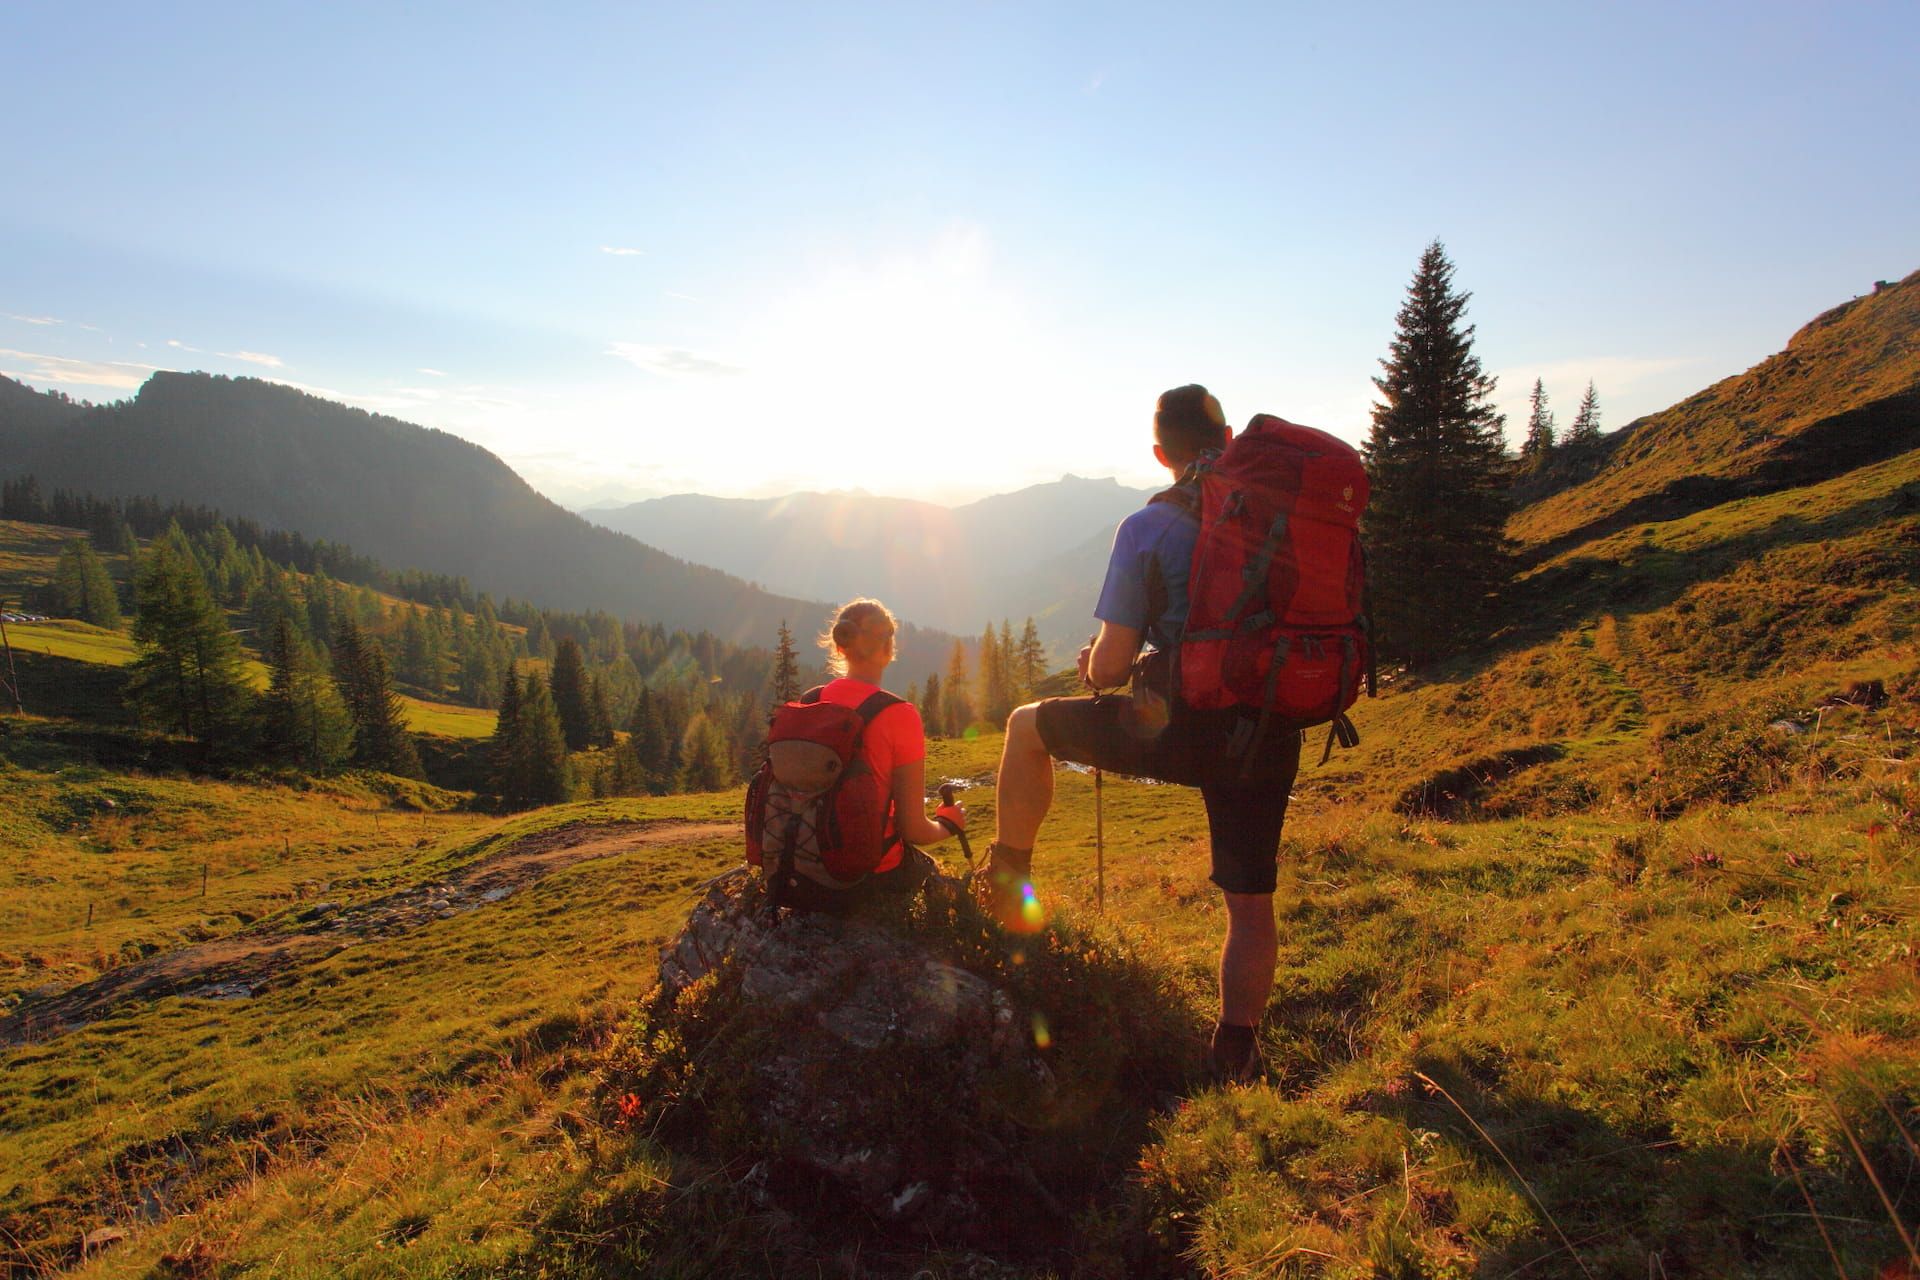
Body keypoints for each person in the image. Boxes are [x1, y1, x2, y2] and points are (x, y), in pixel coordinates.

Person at [981, 385, 1304, 1082]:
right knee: (1250, 904)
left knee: (1026, 726)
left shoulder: (1149, 527)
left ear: (1161, 453)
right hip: (1273, 720)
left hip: (1182, 726)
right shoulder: (1286, 508)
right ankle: (1236, 1052)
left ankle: (1007, 879)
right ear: (1226, 437)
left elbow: (1112, 664)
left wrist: (1092, 668)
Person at [811, 597, 967, 900]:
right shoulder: (899, 715)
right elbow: (913, 831)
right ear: (888, 647)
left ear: (839, 647)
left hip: (807, 861)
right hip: (868, 873)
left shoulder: (812, 701)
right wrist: (950, 824)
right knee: (950, 890)